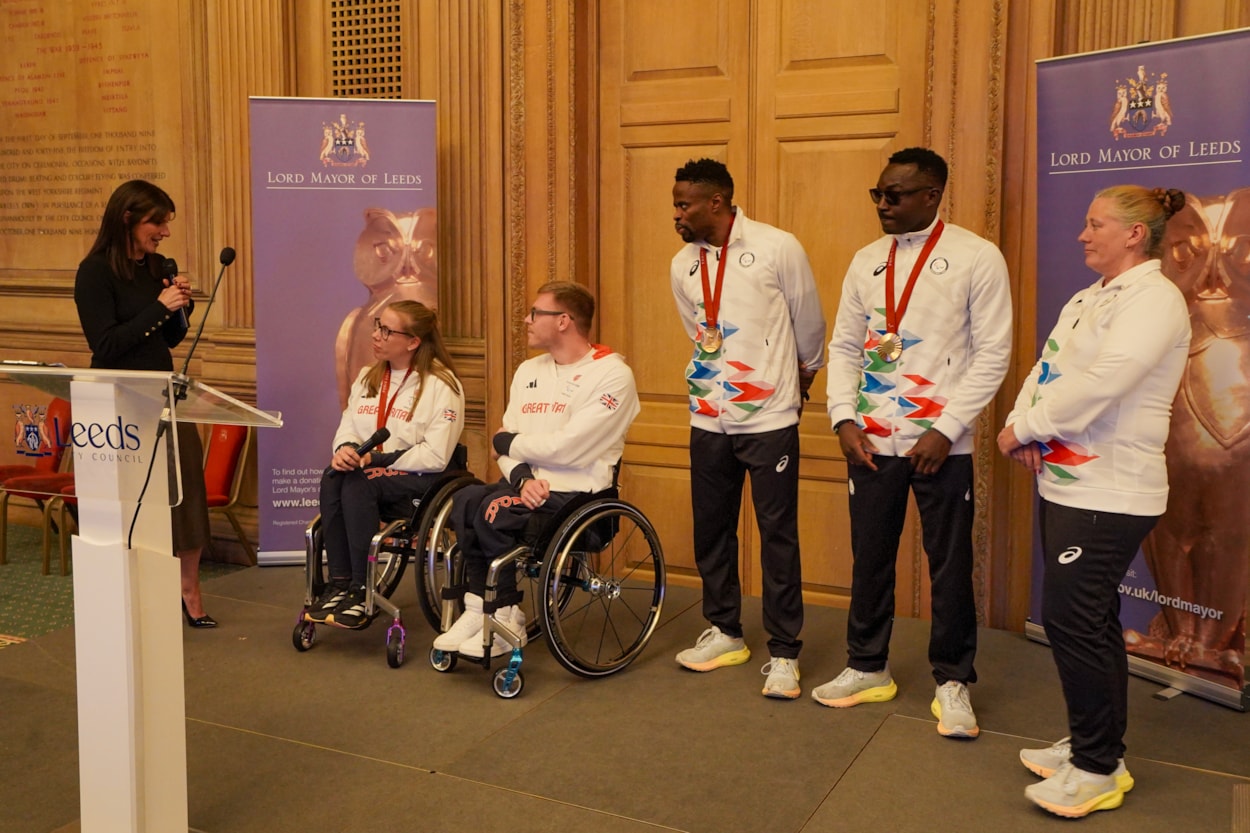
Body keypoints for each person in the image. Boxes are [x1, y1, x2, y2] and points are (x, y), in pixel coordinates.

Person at [999, 186, 1189, 818]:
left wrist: (1026, 431)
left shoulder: (1155, 300)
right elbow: (1047, 370)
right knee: (1088, 619)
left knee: (1073, 621)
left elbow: (1107, 384)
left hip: (1114, 490)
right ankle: (1094, 743)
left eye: (1095, 224)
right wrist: (1025, 422)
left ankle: (1098, 768)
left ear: (1135, 234)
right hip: (1068, 482)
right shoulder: (1090, 297)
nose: (1083, 235)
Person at [819, 148, 1012, 735]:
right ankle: (867, 666)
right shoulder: (865, 261)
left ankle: (953, 682)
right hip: (872, 442)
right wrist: (842, 419)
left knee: (949, 566)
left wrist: (946, 429)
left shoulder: (978, 257)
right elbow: (846, 347)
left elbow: (993, 353)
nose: (883, 204)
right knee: (870, 558)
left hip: (939, 448)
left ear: (932, 195)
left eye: (895, 195)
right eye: (877, 193)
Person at [668, 158, 827, 699]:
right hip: (707, 416)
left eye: (684, 204)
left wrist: (798, 380)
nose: (677, 215)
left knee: (777, 534)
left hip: (769, 417)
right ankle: (726, 631)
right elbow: (697, 330)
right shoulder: (681, 265)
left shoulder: (778, 246)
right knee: (712, 528)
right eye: (676, 204)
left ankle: (785, 652)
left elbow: (809, 324)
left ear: (717, 202)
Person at [433, 281, 639, 658]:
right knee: (464, 499)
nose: (526, 320)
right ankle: (479, 608)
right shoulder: (530, 369)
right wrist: (523, 477)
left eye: (534, 313)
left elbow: (571, 448)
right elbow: (503, 444)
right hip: (523, 484)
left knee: (494, 512)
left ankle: (506, 613)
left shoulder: (612, 375)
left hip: (579, 495)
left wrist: (509, 444)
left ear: (563, 321)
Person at [74, 179, 217, 627]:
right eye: (158, 222)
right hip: (117, 398)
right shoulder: (95, 271)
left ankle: (188, 588)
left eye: (167, 223)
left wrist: (179, 310)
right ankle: (130, 587)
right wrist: (159, 307)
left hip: (163, 390)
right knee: (129, 497)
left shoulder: (156, 266)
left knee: (186, 487)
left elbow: (169, 337)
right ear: (128, 219)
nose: (164, 232)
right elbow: (107, 343)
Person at [305, 300, 465, 629]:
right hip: (369, 473)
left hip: (421, 478)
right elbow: (348, 426)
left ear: (413, 342)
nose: (376, 335)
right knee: (334, 474)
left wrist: (377, 459)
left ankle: (361, 588)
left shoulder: (442, 385)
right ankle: (340, 581)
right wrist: (345, 450)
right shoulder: (368, 377)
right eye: (378, 325)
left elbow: (435, 455)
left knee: (358, 481)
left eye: (387, 330)